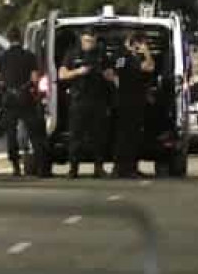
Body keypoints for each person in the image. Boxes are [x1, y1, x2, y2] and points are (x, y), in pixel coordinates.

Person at [59, 28, 114, 179]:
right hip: (79, 100)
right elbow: (62, 74)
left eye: (92, 41)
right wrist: (78, 72)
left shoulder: (101, 55)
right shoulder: (72, 54)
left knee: (99, 136)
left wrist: (106, 74)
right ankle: (73, 169)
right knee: (76, 136)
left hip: (98, 101)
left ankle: (98, 168)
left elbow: (111, 75)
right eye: (87, 41)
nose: (89, 44)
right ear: (81, 39)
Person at [0, 27, 50, 177]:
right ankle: (41, 167)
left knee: (11, 134)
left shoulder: (2, 57)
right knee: (35, 133)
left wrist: (6, 89)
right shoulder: (29, 56)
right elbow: (34, 78)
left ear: (8, 38)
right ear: (20, 38)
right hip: (26, 98)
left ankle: (15, 167)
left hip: (9, 99)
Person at [112, 31, 155, 178]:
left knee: (134, 136)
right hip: (126, 101)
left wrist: (145, 53)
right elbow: (148, 67)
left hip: (135, 100)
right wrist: (146, 53)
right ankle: (123, 168)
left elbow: (149, 68)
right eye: (140, 43)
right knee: (125, 137)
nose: (141, 47)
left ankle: (131, 167)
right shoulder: (123, 56)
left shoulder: (132, 56)